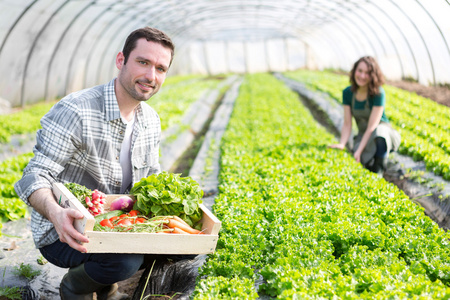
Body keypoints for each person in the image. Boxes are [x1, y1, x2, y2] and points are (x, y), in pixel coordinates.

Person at [14, 27, 174, 299]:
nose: (151, 76)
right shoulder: (77, 110)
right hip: (64, 231)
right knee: (125, 261)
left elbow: (151, 181)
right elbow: (35, 175)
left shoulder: (151, 120)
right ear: (121, 60)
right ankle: (75, 288)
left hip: (114, 224)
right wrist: (55, 213)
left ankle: (105, 286)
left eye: (160, 68)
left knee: (183, 245)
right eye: (143, 62)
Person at [329, 56, 400, 175]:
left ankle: (379, 170)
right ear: (354, 71)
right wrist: (342, 144)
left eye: (367, 73)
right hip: (363, 134)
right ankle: (370, 165)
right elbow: (347, 124)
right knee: (359, 157)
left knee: (380, 133)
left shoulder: (378, 93)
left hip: (382, 132)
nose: (362, 76)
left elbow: (372, 127)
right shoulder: (348, 93)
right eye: (360, 71)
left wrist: (359, 151)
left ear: (373, 75)